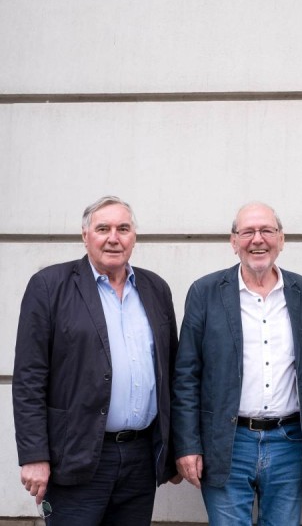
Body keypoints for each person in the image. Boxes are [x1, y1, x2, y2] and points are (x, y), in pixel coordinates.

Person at [13, 196, 180, 525]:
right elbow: (29, 379)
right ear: (85, 235)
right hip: (76, 455)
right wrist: (34, 456)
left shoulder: (155, 288)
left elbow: (171, 374)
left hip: (140, 458)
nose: (113, 238)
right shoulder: (50, 286)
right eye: (103, 229)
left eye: (123, 229)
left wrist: (173, 449)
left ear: (134, 237)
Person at [172, 202, 302, 526]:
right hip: (227, 443)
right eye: (247, 232)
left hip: (290, 443)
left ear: (281, 239)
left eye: (267, 231)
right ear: (234, 241)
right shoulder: (205, 293)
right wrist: (187, 445)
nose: (257, 239)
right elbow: (186, 376)